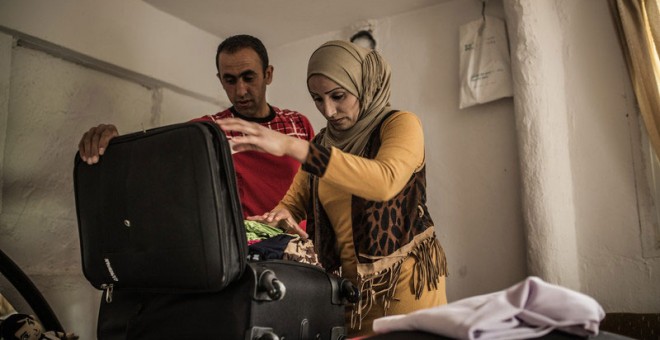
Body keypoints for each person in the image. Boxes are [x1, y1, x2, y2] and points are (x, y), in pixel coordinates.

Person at [216, 40, 448, 336]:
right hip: (347, 293)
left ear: (363, 85)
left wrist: (291, 145)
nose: (328, 110)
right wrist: (275, 220)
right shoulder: (324, 144)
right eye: (317, 99)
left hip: (404, 290)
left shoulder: (400, 124)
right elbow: (292, 203)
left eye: (338, 96)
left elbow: (384, 180)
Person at [77, 35, 315, 221]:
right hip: (249, 255)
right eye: (230, 80)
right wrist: (114, 145)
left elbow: (321, 188)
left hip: (302, 252)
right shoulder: (207, 130)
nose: (240, 90)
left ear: (268, 74)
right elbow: (147, 168)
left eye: (248, 77)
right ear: (220, 79)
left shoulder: (298, 124)